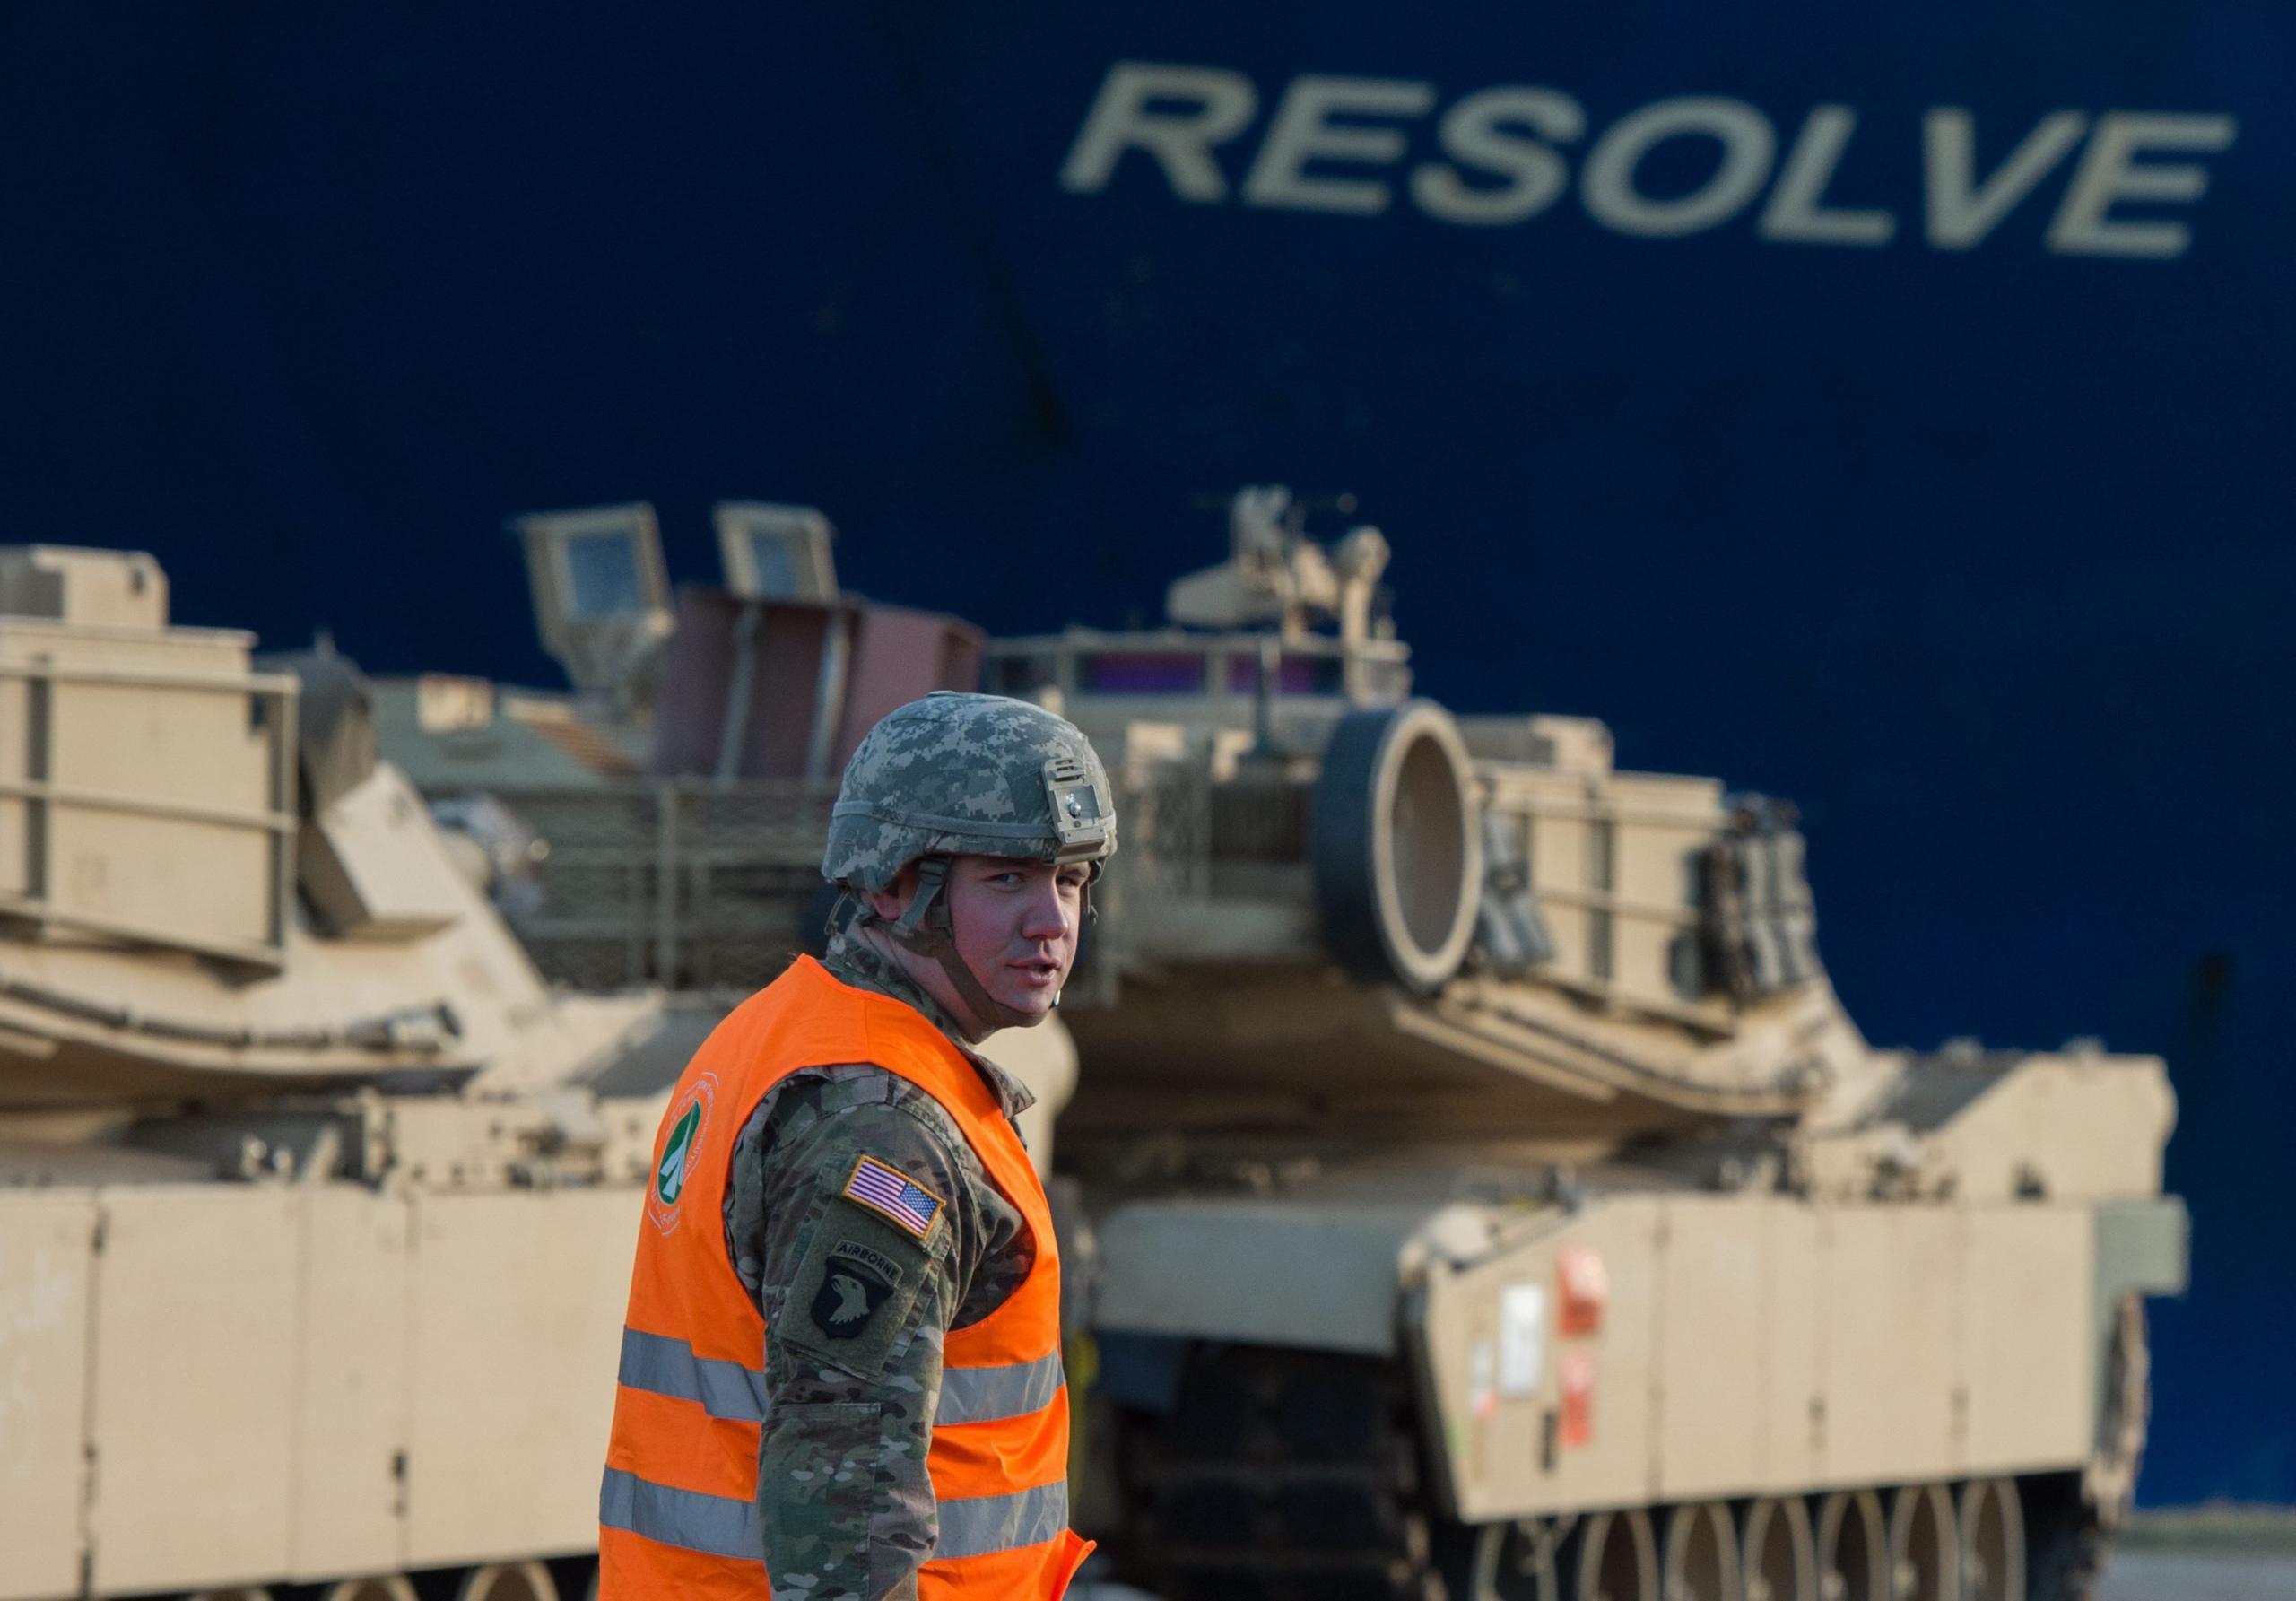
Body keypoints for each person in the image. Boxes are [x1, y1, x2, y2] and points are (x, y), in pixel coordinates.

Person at [597, 691, 1115, 1601]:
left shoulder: (772, 1036)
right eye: (1008, 879)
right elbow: (843, 1494)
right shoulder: (882, 1125)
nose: (1052, 923)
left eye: (1069, 881)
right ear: (890, 886)